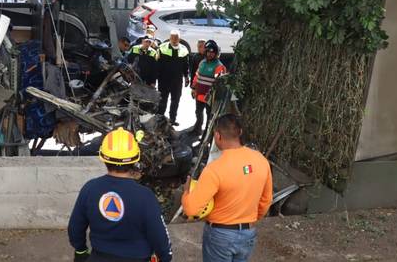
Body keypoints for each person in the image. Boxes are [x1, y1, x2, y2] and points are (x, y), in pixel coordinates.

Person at [68, 128, 173, 262]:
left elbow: (75, 227)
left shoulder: (90, 189)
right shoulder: (145, 196)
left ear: (103, 158)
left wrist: (81, 250)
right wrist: (166, 257)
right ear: (135, 159)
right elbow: (160, 236)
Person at [181, 115, 272, 262]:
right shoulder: (261, 160)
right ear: (240, 132)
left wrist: (186, 192)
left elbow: (191, 210)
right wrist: (249, 221)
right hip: (248, 234)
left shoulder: (215, 169)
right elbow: (266, 200)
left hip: (220, 236)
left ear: (217, 136)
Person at [191, 40, 227, 134]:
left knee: (209, 116)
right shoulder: (202, 63)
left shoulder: (219, 66)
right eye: (208, 52)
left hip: (211, 97)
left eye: (212, 52)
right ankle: (197, 129)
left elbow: (220, 85)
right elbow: (197, 76)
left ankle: (207, 133)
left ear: (216, 53)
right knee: (198, 112)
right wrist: (193, 88)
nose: (210, 54)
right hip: (199, 94)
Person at [156, 30, 190, 126]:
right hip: (164, 80)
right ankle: (160, 118)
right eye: (173, 37)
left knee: (175, 101)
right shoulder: (162, 47)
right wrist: (157, 78)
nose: (174, 40)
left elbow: (185, 65)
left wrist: (186, 76)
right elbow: (157, 64)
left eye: (176, 38)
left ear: (179, 39)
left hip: (177, 81)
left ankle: (172, 119)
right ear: (170, 38)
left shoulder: (184, 49)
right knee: (162, 100)